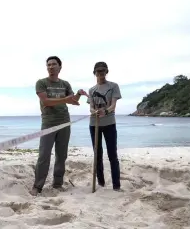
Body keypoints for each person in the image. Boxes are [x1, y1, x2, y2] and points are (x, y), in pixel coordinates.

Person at [31, 56, 87, 196]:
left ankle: (57, 184)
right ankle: (37, 186)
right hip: (49, 122)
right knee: (44, 155)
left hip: (65, 122)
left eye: (54, 64)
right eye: (48, 65)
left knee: (61, 155)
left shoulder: (65, 84)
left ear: (60, 67)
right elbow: (46, 102)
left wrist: (79, 94)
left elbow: (73, 101)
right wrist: (65, 99)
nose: (51, 67)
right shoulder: (41, 82)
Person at [88, 61, 122, 191]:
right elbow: (91, 107)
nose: (100, 73)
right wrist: (94, 111)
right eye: (98, 71)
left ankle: (116, 186)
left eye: (103, 70)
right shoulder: (92, 90)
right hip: (94, 124)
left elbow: (113, 105)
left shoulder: (113, 86)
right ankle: (100, 183)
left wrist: (105, 111)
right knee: (97, 155)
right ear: (94, 73)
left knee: (112, 154)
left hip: (109, 123)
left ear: (106, 71)